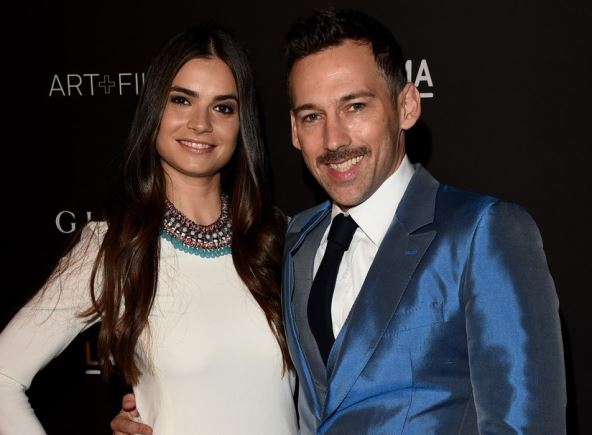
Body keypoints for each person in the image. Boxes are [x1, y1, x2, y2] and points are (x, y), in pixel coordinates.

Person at [111, 7, 567, 435]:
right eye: (313, 116)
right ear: (294, 131)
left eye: (355, 107)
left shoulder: (482, 232)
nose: (333, 140)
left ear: (407, 106)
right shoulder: (296, 239)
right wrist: (156, 407)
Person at [0, 25, 298, 435]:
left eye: (223, 108)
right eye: (181, 100)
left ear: (242, 123)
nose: (201, 123)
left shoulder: (278, 237)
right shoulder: (115, 245)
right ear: (155, 107)